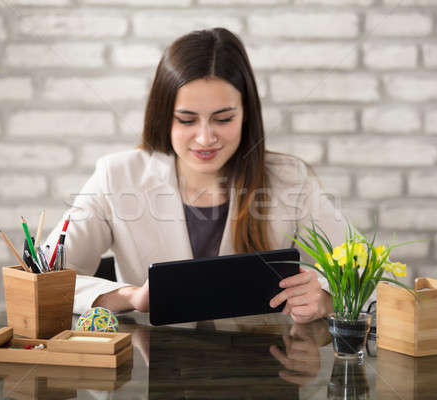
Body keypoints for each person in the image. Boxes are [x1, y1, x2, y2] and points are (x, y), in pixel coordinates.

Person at [44, 27, 346, 324]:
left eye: (224, 119)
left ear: (246, 115)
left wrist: (327, 298)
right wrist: (130, 297)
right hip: (150, 366)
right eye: (186, 120)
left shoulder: (290, 178)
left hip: (263, 364)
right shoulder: (116, 176)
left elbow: (372, 272)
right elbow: (45, 279)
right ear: (164, 118)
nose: (205, 138)